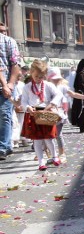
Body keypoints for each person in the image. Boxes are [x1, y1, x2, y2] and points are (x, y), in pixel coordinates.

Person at [20, 59, 63, 171]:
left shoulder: (48, 85)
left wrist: (52, 104)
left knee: (49, 137)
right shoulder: (27, 87)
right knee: (37, 140)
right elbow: (24, 101)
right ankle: (41, 161)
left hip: (46, 113)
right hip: (33, 114)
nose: (39, 79)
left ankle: (54, 156)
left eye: (41, 77)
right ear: (31, 73)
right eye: (36, 76)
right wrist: (28, 107)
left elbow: (59, 95)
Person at [47, 68, 84, 162]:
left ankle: (62, 153)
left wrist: (83, 96)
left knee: (58, 134)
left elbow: (73, 94)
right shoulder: (46, 86)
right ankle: (53, 155)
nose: (56, 80)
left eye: (57, 78)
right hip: (48, 113)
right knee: (49, 136)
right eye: (54, 79)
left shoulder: (62, 87)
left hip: (59, 113)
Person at [0, 22, 22, 160]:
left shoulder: (8, 41)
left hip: (5, 85)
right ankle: (6, 145)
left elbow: (15, 64)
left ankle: (3, 146)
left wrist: (10, 84)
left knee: (4, 115)